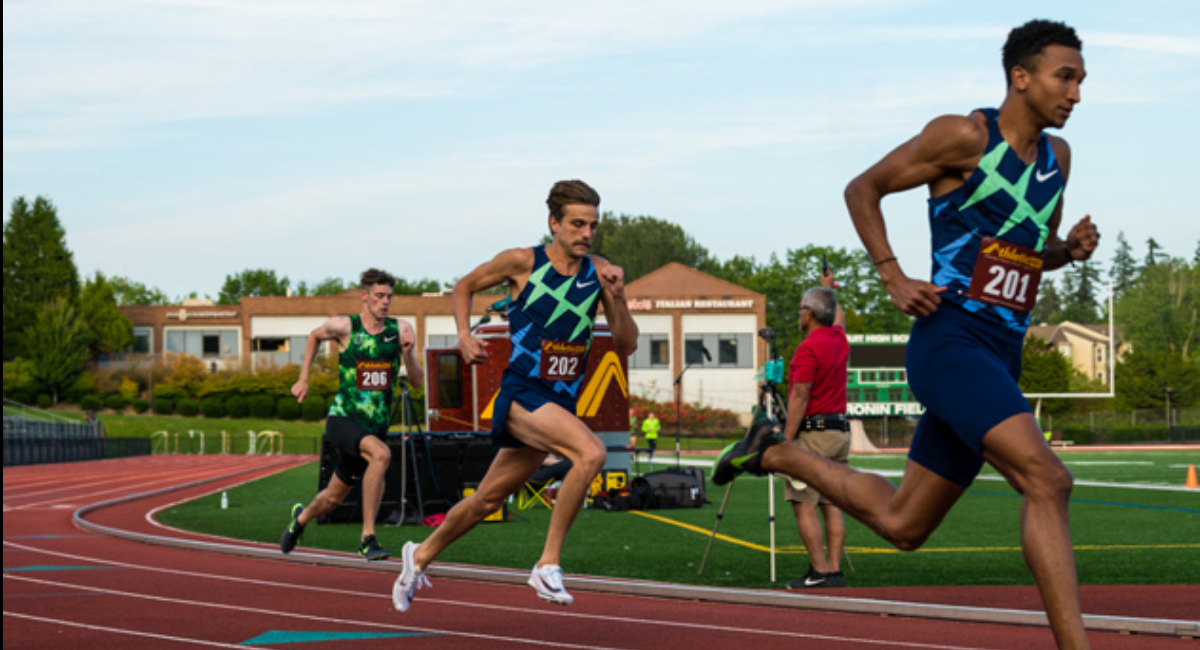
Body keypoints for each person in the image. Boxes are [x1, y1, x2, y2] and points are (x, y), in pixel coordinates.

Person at [715, 20, 1099, 649]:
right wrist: (892, 276)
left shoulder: (1058, 161)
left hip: (1002, 356)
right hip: (950, 343)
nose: (1077, 93)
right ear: (1020, 77)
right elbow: (862, 188)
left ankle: (774, 451)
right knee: (1048, 479)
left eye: (1081, 80)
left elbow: (1027, 253)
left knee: (904, 523)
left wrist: (1067, 251)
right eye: (1066, 77)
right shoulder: (963, 135)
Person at [392, 179, 638, 612]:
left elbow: (626, 344)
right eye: (578, 224)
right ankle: (547, 564)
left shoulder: (600, 272)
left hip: (559, 402)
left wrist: (617, 297)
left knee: (486, 499)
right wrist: (464, 336)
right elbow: (464, 286)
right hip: (523, 392)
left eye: (593, 226)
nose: (587, 234)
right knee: (591, 454)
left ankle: (420, 555)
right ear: (554, 224)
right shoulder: (523, 262)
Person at [280, 268, 423, 561]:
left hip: (375, 426)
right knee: (382, 455)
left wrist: (408, 355)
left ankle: (300, 520)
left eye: (389, 297)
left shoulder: (401, 330)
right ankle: (367, 538)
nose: (385, 302)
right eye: (379, 296)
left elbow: (419, 382)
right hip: (344, 419)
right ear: (364, 296)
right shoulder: (346, 327)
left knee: (333, 497)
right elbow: (314, 336)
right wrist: (303, 377)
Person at [781, 269, 850, 589]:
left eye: (800, 309)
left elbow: (800, 395)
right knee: (832, 502)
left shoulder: (808, 349)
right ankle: (833, 570)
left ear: (808, 314)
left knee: (804, 502)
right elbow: (840, 319)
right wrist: (829, 290)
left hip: (814, 434)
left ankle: (819, 571)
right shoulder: (838, 339)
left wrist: (787, 438)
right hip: (839, 433)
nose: (798, 315)